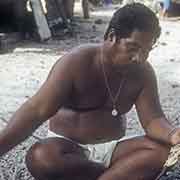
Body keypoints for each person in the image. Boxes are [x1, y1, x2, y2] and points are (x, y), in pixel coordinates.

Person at [0, 3, 180, 180]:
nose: (139, 58)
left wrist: (173, 135)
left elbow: (153, 119)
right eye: (133, 48)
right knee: (41, 157)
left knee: (163, 152)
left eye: (147, 50)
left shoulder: (143, 72)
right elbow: (37, 109)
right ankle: (120, 173)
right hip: (69, 149)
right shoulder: (76, 62)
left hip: (114, 149)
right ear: (112, 36)